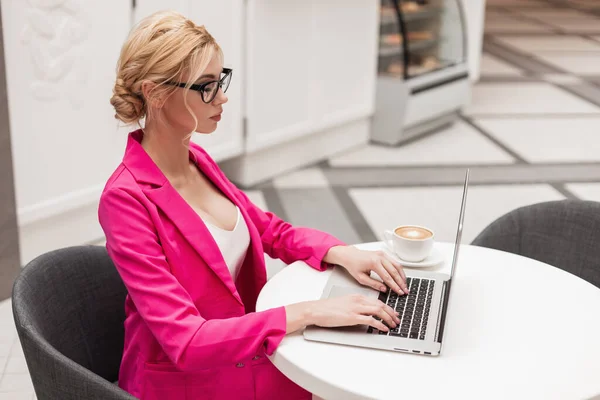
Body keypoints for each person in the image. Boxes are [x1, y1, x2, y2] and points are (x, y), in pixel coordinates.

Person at [99, 10, 409, 400]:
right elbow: (186, 340)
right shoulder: (125, 200)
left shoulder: (198, 160)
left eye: (221, 80)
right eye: (206, 86)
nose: (223, 97)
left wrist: (339, 252)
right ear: (156, 93)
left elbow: (265, 229)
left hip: (245, 354)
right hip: (190, 383)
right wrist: (309, 313)